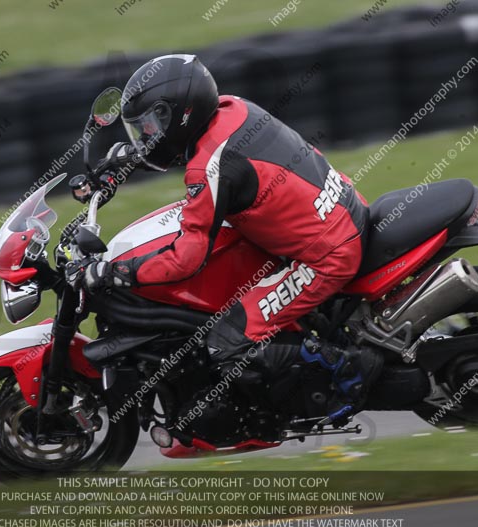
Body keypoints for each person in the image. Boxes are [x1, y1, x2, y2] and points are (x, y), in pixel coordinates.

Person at [82, 54, 381, 426]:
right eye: (140, 130)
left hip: (326, 254)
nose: (145, 136)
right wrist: (129, 158)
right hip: (339, 208)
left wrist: (119, 272)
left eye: (149, 126)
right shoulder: (232, 108)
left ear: (179, 115)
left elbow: (187, 258)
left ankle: (350, 371)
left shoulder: (210, 167)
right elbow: (200, 153)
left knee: (224, 340)